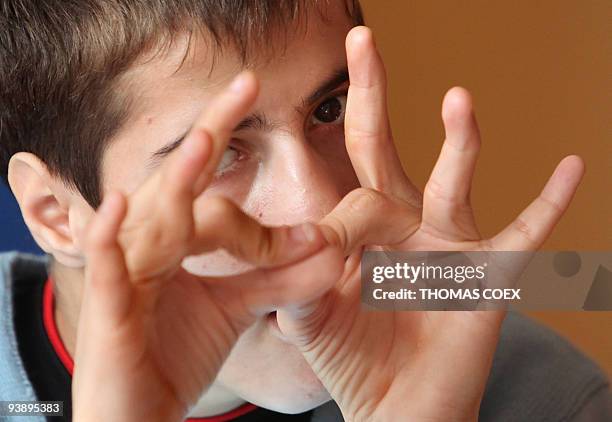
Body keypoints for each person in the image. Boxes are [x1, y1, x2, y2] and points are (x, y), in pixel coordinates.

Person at [0, 1, 610, 421]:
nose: (322, 209)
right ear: (56, 213)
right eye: (218, 156)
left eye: (329, 110)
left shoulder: (539, 391)